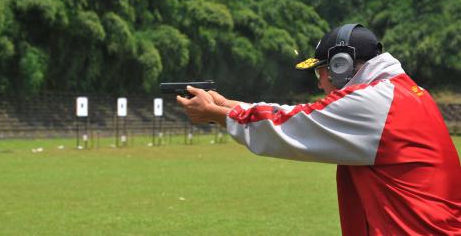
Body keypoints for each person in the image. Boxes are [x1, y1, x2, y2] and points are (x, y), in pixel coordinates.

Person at [176, 23, 461, 235]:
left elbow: (291, 124)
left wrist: (217, 114)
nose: (319, 82)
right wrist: (226, 104)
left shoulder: (374, 101)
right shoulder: (405, 93)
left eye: (320, 71)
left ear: (341, 65)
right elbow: (293, 115)